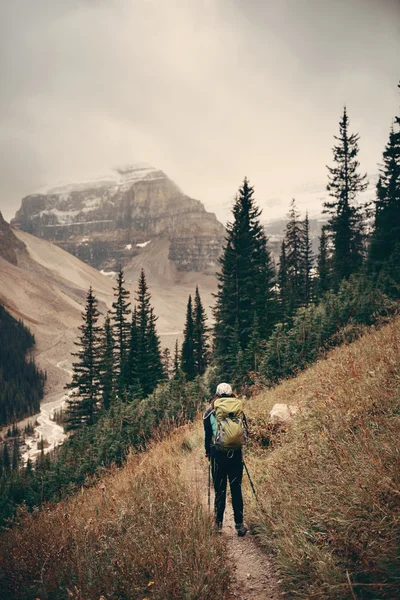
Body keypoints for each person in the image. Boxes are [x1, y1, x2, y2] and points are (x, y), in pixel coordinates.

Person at [203, 382, 248, 536]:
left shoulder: (210, 411)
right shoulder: (238, 409)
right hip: (235, 454)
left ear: (216, 394)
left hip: (218, 455)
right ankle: (239, 525)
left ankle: (218, 525)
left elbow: (207, 435)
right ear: (231, 393)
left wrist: (207, 452)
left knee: (220, 490)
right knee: (236, 489)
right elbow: (244, 431)